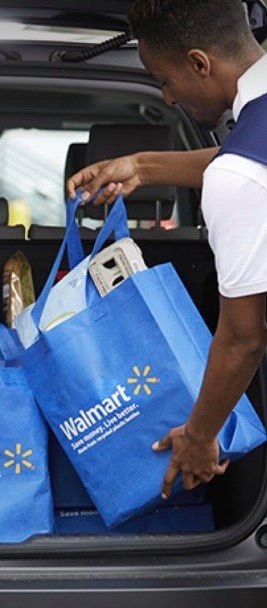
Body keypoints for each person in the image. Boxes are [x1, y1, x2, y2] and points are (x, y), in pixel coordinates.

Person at [67, 0, 267, 500]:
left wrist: (198, 438)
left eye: (163, 80)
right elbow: (244, 158)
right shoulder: (249, 152)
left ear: (199, 63)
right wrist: (142, 166)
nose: (168, 97)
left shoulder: (239, 178)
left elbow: (243, 339)